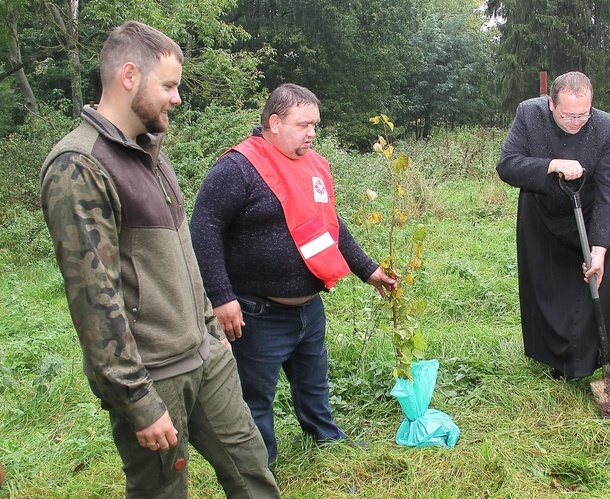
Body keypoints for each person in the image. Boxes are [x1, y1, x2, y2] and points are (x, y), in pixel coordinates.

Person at [39, 21, 280, 498]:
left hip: (205, 356)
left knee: (252, 470)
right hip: (153, 376)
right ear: (129, 75)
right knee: (162, 493)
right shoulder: (79, 166)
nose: (177, 98)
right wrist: (137, 399)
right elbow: (95, 300)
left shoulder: (153, 153)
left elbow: (182, 257)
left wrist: (211, 329)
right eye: (168, 85)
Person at [189, 83, 397, 465]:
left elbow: (330, 225)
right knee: (255, 398)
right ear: (274, 123)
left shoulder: (314, 166)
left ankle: (325, 437)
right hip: (257, 312)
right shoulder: (238, 167)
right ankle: (260, 469)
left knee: (314, 384)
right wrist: (220, 297)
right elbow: (203, 229)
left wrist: (368, 270)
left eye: (315, 125)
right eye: (303, 125)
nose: (312, 133)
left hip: (309, 309)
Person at [496, 71, 610, 381]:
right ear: (550, 104)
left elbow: (609, 191)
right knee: (548, 279)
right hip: (545, 202)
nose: (576, 123)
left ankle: (604, 354)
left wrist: (599, 249)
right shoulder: (528, 114)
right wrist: (552, 164)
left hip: (598, 199)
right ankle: (560, 359)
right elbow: (507, 165)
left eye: (583, 115)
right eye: (568, 115)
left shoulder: (607, 128)